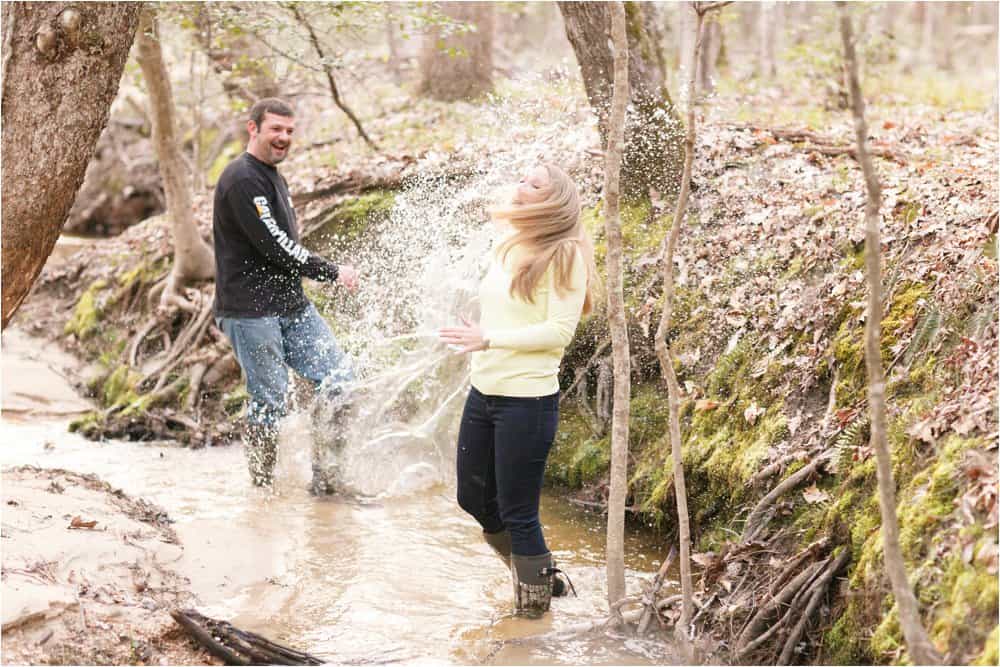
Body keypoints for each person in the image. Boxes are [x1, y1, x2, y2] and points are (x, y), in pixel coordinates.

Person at [439, 164, 595, 617]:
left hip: (526, 400)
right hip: (483, 390)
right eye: (524, 180)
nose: (521, 186)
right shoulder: (507, 243)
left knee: (519, 514)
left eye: (534, 184)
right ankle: (543, 579)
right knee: (472, 499)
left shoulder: (565, 253)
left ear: (555, 202)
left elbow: (559, 332)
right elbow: (507, 315)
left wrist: (490, 339)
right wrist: (480, 334)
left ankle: (533, 621)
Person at [212, 97, 359, 492]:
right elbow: (276, 245)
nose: (284, 138)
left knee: (340, 382)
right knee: (269, 401)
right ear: (253, 128)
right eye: (276, 129)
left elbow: (283, 245)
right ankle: (261, 493)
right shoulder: (242, 179)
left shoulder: (271, 174)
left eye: (290, 131)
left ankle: (328, 484)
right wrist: (332, 271)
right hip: (250, 311)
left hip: (290, 306)